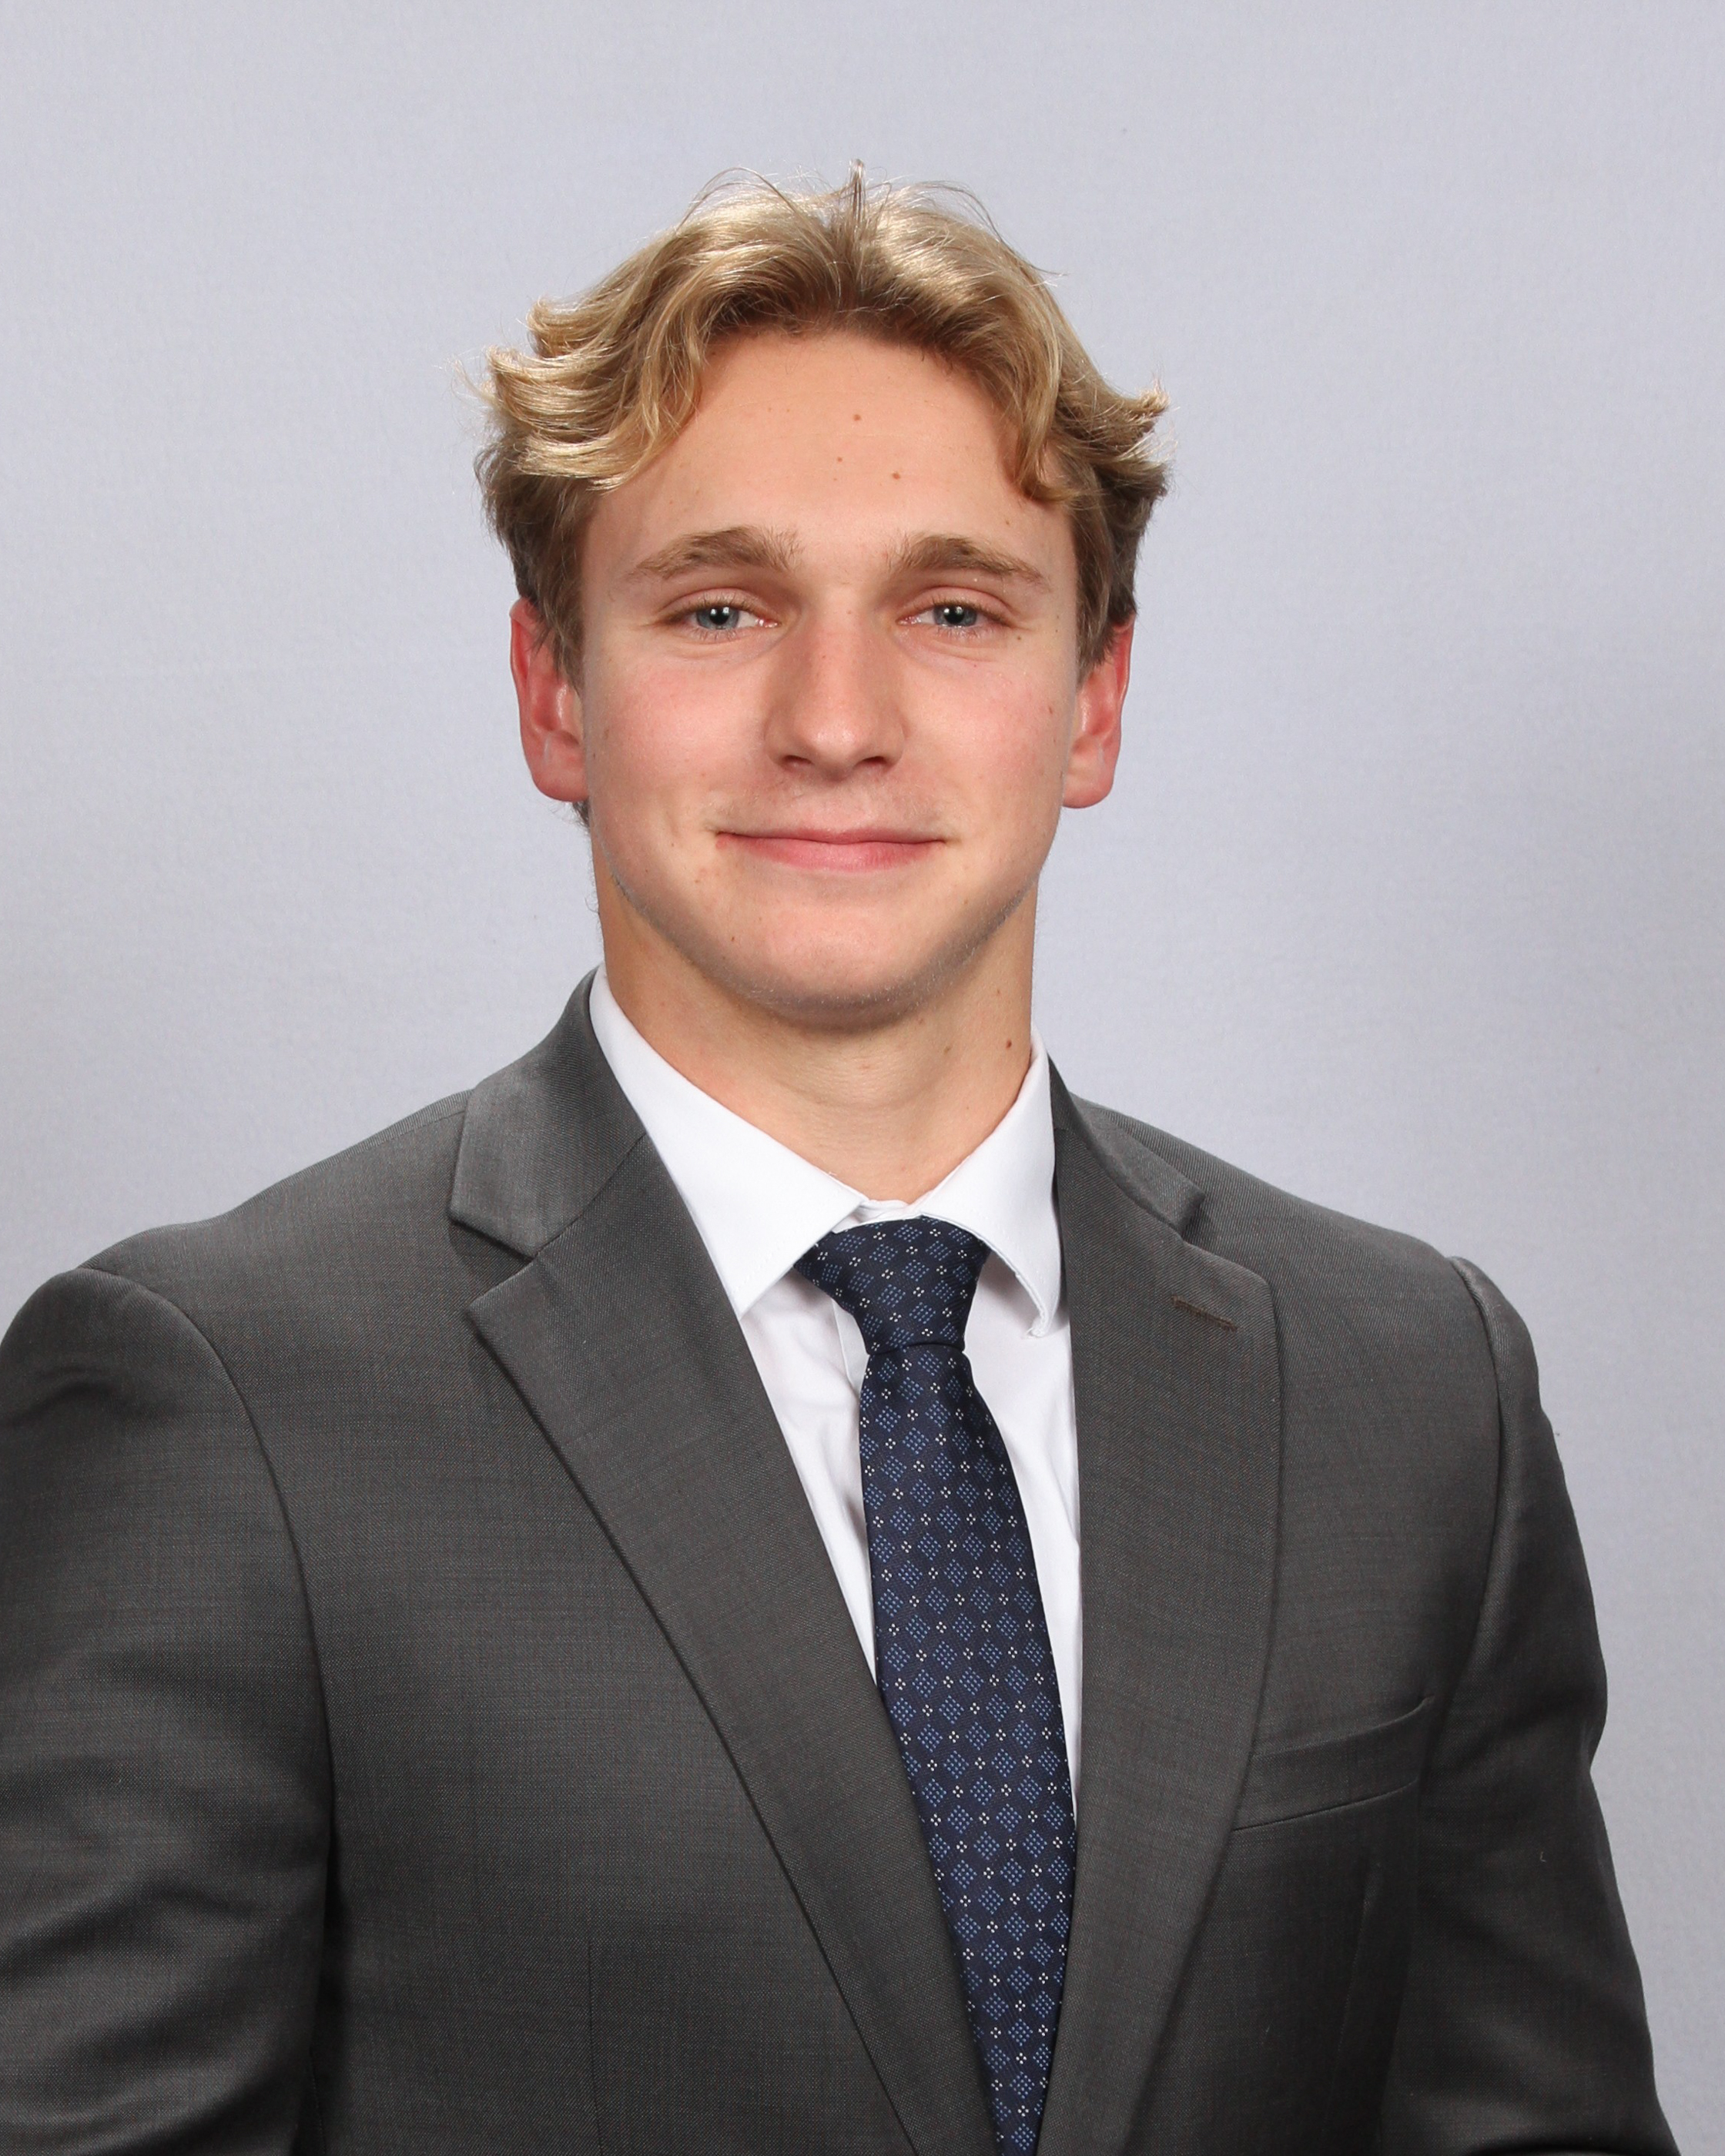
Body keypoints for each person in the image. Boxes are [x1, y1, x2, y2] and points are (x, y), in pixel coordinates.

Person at [0, 171, 1674, 2155]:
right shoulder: (224, 1405)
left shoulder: (1411, 1391)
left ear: (1094, 701)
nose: (836, 721)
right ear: (555, 693)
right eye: (721, 609)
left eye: (953, 611)